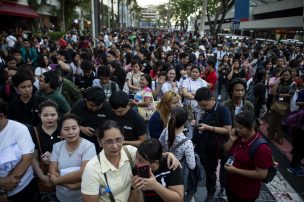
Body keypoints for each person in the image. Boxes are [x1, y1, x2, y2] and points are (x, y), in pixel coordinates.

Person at [81, 120, 180, 202]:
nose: (115, 146)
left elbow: (149, 155)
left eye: (118, 140)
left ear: (123, 138)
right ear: (99, 141)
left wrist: (168, 154)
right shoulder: (92, 169)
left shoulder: (128, 151)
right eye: (109, 141)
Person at [223, 111, 273, 201]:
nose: (237, 129)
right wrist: (231, 140)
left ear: (251, 126)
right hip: (231, 185)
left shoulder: (261, 148)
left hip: (245, 192)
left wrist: (235, 170)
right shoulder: (238, 136)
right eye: (236, 126)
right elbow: (226, 150)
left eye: (240, 127)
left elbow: (262, 174)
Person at [193, 87, 232, 202]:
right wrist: (196, 124)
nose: (202, 108)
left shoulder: (223, 110)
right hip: (203, 145)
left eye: (204, 105)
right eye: (200, 105)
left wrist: (208, 128)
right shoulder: (201, 108)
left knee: (216, 171)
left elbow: (227, 130)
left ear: (212, 99)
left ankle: (215, 191)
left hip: (217, 146)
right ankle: (208, 190)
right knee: (206, 171)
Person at [49, 113, 96, 202]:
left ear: (79, 129)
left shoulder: (89, 146)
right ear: (61, 131)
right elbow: (52, 171)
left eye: (74, 128)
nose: (71, 132)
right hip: (61, 196)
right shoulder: (56, 146)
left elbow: (84, 172)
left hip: (82, 197)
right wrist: (71, 184)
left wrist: (57, 180)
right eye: (66, 129)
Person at [0, 98, 39, 201]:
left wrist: (9, 182)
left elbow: (27, 158)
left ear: (2, 116)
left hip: (23, 187)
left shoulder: (19, 129)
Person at [31, 100, 62, 200]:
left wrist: (53, 158)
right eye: (45, 115)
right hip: (45, 173)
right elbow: (34, 158)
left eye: (53, 115)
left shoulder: (65, 128)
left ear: (58, 114)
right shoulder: (35, 131)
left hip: (63, 172)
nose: (49, 118)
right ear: (39, 115)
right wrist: (42, 177)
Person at [71, 86, 112, 153]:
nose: (94, 108)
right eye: (91, 105)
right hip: (81, 140)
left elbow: (113, 125)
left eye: (98, 106)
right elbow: (69, 122)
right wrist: (81, 128)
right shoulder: (78, 106)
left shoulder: (108, 108)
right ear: (86, 100)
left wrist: (101, 131)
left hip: (101, 141)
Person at [267, 68, 296, 144]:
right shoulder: (279, 83)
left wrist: (279, 94)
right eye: (284, 75)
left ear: (290, 75)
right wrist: (277, 81)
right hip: (275, 105)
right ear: (281, 75)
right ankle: (270, 135)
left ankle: (279, 138)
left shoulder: (293, 84)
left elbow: (290, 94)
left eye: (287, 75)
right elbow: (273, 92)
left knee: (281, 123)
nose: (286, 76)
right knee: (272, 122)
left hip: (286, 106)